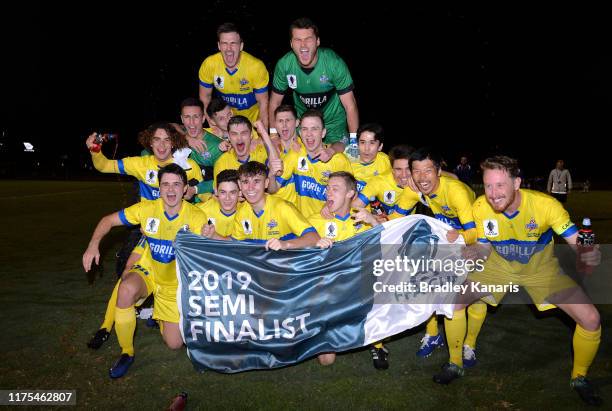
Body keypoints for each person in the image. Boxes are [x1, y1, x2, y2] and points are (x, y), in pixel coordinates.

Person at [433, 156, 602, 406]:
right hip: (497, 268)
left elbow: (577, 241)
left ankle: (579, 377)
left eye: (500, 185)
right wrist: (473, 255)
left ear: (517, 183)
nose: (493, 193)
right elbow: (484, 246)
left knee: (591, 319)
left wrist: (589, 252)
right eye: (488, 185)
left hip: (540, 271)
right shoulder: (481, 207)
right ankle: (455, 363)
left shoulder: (546, 206)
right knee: (454, 301)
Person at [83, 164, 208, 378]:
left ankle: (160, 316)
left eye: (176, 184)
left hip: (173, 285)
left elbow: (203, 257)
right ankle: (126, 352)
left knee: (174, 344)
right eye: (165, 184)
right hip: (149, 271)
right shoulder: (146, 209)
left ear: (185, 188)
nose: (170, 190)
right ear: (159, 188)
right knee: (125, 289)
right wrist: (93, 245)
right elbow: (108, 220)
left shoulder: (196, 217)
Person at [84, 123, 203, 349]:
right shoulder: (141, 164)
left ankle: (160, 312)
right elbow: (104, 166)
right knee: (127, 274)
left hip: (177, 233)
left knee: (168, 286)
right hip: (147, 230)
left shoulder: (187, 166)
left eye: (167, 140)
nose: (161, 145)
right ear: (150, 142)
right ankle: (105, 327)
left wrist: (195, 193)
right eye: (156, 139)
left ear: (174, 143)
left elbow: (205, 194)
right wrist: (95, 150)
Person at [394, 148, 479, 361]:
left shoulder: (456, 191)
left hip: (475, 240)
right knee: (425, 281)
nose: (422, 177)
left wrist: (458, 235)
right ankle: (433, 335)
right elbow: (393, 220)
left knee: (477, 297)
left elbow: (475, 232)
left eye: (428, 171)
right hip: (449, 239)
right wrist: (372, 219)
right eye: (417, 171)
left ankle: (470, 343)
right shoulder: (414, 189)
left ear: (439, 171)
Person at [308, 171, 385, 369]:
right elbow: (298, 247)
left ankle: (377, 344)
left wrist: (374, 221)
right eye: (327, 189)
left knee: (380, 282)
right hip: (329, 292)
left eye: (335, 189)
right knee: (326, 360)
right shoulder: (316, 220)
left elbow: (389, 243)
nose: (328, 193)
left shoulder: (363, 217)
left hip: (359, 288)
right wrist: (314, 244)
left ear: (351, 193)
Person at [269, 17, 358, 162]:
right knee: (296, 160)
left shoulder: (333, 63)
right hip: (305, 123)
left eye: (308, 39)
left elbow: (350, 105)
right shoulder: (285, 65)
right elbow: (274, 102)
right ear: (291, 43)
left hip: (333, 122)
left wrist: (354, 140)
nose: (303, 45)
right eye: (298, 40)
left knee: (340, 159)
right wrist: (273, 134)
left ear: (317, 42)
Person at [203, 161, 320, 251]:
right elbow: (236, 243)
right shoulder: (242, 211)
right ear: (239, 184)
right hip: (260, 274)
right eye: (245, 182)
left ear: (267, 183)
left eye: (256, 181)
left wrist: (285, 244)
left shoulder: (283, 207)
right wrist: (214, 235)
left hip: (286, 271)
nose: (250, 188)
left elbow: (314, 238)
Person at [267, 109, 353, 218]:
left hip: (329, 223)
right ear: (300, 133)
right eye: (305, 129)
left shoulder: (339, 160)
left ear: (323, 133)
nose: (309, 134)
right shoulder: (295, 155)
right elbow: (272, 189)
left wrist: (330, 204)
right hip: (304, 226)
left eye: (314, 129)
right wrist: (271, 175)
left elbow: (353, 196)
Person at [198, 23, 269, 128]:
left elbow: (264, 104)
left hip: (252, 125)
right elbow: (205, 97)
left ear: (241, 46)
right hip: (224, 125)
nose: (229, 48)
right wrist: (213, 125)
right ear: (218, 45)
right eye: (224, 43)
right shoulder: (209, 64)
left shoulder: (256, 67)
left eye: (233, 43)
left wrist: (262, 134)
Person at [177, 98, 229, 195]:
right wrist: (186, 139)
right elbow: (167, 127)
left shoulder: (217, 146)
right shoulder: (176, 139)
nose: (191, 122)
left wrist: (195, 189)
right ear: (182, 119)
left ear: (203, 118)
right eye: (187, 117)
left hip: (205, 203)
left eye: (196, 117)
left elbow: (223, 181)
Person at [212, 115, 280, 188]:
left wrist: (263, 132)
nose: (239, 138)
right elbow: (217, 193)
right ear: (228, 136)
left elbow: (278, 171)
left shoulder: (261, 153)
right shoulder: (221, 163)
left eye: (244, 133)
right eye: (234, 134)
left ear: (251, 135)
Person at [196, 169, 243, 237]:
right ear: (216, 191)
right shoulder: (201, 211)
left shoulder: (247, 213)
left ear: (240, 193)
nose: (227, 198)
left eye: (232, 192)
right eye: (223, 192)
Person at [350, 123, 391, 192]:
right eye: (362, 142)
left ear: (380, 146)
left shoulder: (387, 162)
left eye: (372, 143)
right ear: (357, 144)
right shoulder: (347, 162)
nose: (366, 149)